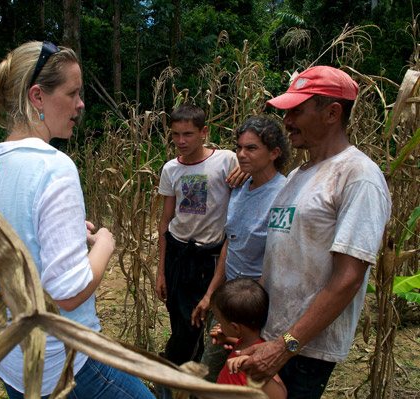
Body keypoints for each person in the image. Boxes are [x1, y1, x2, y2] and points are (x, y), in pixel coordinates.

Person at [0, 41, 154, 399]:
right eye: (73, 93)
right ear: (38, 96)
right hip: (65, 359)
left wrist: (64, 236)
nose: (80, 104)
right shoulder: (54, 166)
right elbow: (68, 293)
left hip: (12, 358)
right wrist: (104, 244)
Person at [238, 66, 392, 398]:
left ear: (332, 113)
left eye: (297, 110)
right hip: (274, 336)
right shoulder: (298, 175)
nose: (286, 121)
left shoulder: (358, 176)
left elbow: (348, 279)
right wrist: (248, 327)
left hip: (305, 348)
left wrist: (285, 346)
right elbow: (276, 261)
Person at [192, 115, 288, 382]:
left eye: (252, 148)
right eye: (239, 147)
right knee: (211, 372)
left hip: (254, 310)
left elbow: (277, 262)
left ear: (275, 153)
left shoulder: (284, 196)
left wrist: (246, 326)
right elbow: (231, 244)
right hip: (228, 300)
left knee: (240, 378)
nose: (242, 154)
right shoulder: (240, 186)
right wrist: (211, 295)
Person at [156, 104, 238, 370]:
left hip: (210, 257)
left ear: (204, 131)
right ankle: (181, 375)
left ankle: (181, 374)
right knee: (180, 321)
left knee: (205, 321)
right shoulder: (170, 169)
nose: (181, 141)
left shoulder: (226, 161)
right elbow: (166, 220)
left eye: (188, 134)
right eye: (176, 134)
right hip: (178, 254)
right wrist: (161, 271)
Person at [209, 278, 286, 399]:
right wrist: (227, 339)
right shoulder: (247, 341)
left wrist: (255, 372)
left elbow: (280, 395)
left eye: (220, 321)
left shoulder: (257, 357)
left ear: (235, 327)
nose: (219, 325)